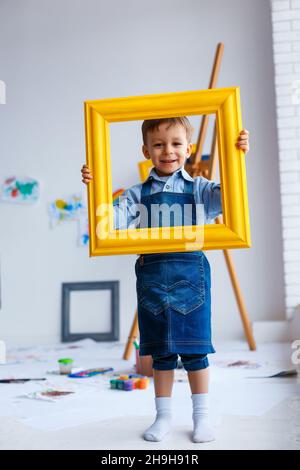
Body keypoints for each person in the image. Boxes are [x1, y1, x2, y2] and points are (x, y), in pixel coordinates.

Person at [81, 117, 249, 443]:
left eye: (175, 144)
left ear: (189, 148)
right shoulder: (135, 194)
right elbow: (109, 222)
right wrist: (95, 189)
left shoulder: (201, 189)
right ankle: (164, 416)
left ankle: (202, 417)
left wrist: (237, 156)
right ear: (146, 150)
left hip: (192, 280)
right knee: (161, 355)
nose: (167, 151)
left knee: (196, 353)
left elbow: (231, 197)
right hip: (152, 282)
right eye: (158, 144)